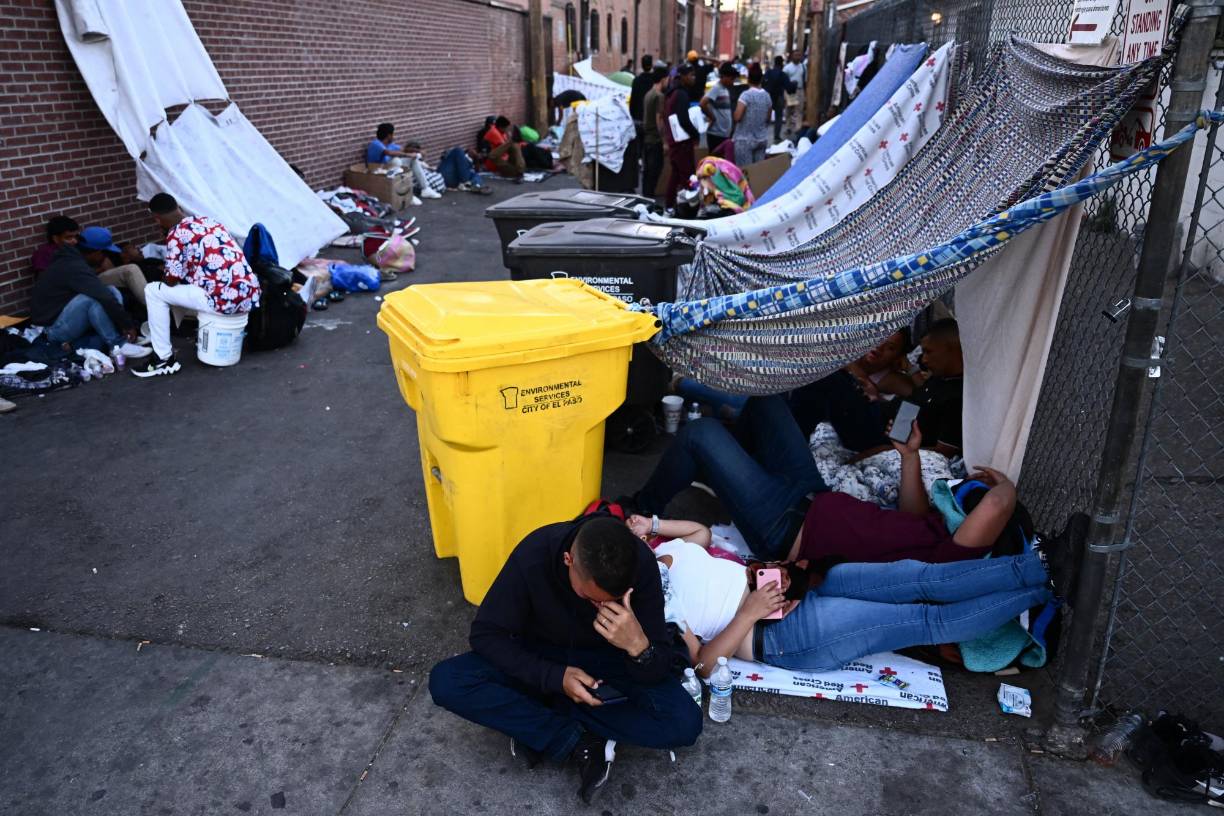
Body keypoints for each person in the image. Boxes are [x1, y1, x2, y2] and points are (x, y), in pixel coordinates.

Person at [428, 516, 702, 804]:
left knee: (685, 723)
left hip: (609, 663)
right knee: (448, 681)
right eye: (590, 596)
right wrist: (554, 677)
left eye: (612, 600)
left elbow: (657, 665)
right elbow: (486, 635)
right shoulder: (535, 554)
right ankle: (576, 741)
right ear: (568, 559)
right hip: (541, 656)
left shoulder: (639, 563)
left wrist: (638, 646)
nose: (600, 606)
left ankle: (535, 720)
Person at [629, 511, 1072, 679]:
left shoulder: (661, 549)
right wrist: (748, 613)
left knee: (922, 578)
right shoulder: (657, 610)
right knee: (924, 620)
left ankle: (1039, 564)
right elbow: (702, 664)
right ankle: (1044, 589)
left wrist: (652, 526)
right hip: (785, 634)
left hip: (801, 589)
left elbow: (700, 533)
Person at [632, 394, 1018, 563]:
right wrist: (910, 454)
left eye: (974, 504)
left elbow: (999, 503)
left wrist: (1005, 484)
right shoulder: (936, 532)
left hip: (785, 530)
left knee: (701, 434)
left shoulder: (954, 557)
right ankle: (729, 473)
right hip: (811, 494)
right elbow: (912, 514)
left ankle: (638, 511)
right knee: (767, 400)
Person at [132, 194, 261, 378]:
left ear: (157, 219)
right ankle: (189, 330)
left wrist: (166, 268)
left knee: (153, 290)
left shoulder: (176, 234)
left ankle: (163, 359)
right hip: (249, 295)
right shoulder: (209, 221)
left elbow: (171, 280)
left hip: (222, 300)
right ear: (178, 207)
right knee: (177, 290)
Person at [29, 225, 150, 360]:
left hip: (63, 316)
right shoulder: (73, 266)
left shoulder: (73, 258)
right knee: (92, 299)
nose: (105, 258)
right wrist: (127, 325)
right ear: (95, 252)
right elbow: (103, 297)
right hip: (52, 330)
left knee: (110, 290)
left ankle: (123, 339)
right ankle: (117, 345)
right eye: (104, 253)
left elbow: (106, 294)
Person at [365, 122, 441, 200]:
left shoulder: (390, 144)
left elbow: (404, 149)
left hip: (390, 171)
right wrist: (408, 155)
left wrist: (418, 151)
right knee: (396, 161)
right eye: (393, 134)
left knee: (412, 160)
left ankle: (425, 189)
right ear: (389, 135)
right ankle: (406, 194)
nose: (393, 137)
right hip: (378, 172)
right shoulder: (375, 143)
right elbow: (389, 153)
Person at [662, 65, 700, 208]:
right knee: (689, 177)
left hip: (674, 142)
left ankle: (669, 207)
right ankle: (692, 206)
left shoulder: (672, 93)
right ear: (683, 77)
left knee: (676, 176)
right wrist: (695, 134)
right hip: (682, 143)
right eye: (691, 75)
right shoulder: (681, 94)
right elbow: (683, 119)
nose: (693, 78)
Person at [732, 63, 772, 167]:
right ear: (761, 79)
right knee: (758, 174)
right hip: (761, 139)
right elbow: (768, 118)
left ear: (748, 79)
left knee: (745, 175)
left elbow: (737, 117)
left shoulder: (745, 96)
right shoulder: (767, 96)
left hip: (744, 141)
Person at [641, 65, 670, 200]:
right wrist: (664, 141)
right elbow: (659, 119)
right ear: (663, 79)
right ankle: (650, 200)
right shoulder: (659, 96)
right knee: (654, 171)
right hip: (655, 139)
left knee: (647, 172)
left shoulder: (648, 94)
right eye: (667, 79)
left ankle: (646, 198)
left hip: (647, 138)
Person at [700, 62, 737, 155]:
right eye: (731, 79)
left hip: (724, 134)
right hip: (716, 134)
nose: (732, 82)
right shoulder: (716, 88)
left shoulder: (725, 89)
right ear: (724, 76)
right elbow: (703, 103)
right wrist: (712, 117)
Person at [763, 55, 795, 142]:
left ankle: (762, 134)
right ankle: (776, 136)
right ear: (782, 64)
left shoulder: (768, 72)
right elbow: (789, 87)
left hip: (767, 97)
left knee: (765, 116)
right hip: (778, 98)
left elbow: (762, 83)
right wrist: (794, 84)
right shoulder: (782, 74)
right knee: (779, 117)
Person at [628, 54, 655, 135]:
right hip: (651, 119)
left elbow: (633, 100)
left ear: (642, 65)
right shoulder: (654, 80)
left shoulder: (636, 80)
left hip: (638, 118)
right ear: (651, 65)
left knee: (639, 144)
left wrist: (632, 115)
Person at [782, 51, 806, 137]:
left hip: (799, 90)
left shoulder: (803, 67)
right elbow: (783, 80)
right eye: (796, 55)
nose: (798, 57)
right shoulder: (787, 68)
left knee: (799, 110)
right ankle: (788, 127)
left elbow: (805, 79)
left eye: (799, 55)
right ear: (792, 56)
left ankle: (797, 128)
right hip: (789, 91)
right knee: (788, 110)